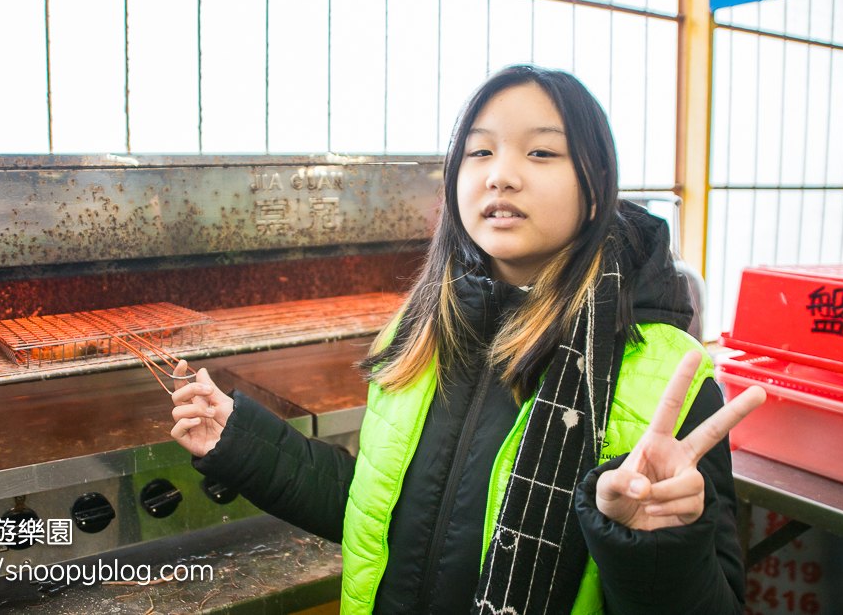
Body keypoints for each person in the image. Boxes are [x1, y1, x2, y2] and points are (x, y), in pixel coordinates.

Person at [169, 65, 766, 615]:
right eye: (479, 150)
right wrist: (242, 440)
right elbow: (378, 513)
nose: (500, 174)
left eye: (541, 151)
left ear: (595, 186)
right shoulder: (423, 329)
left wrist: (650, 542)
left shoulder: (665, 379)